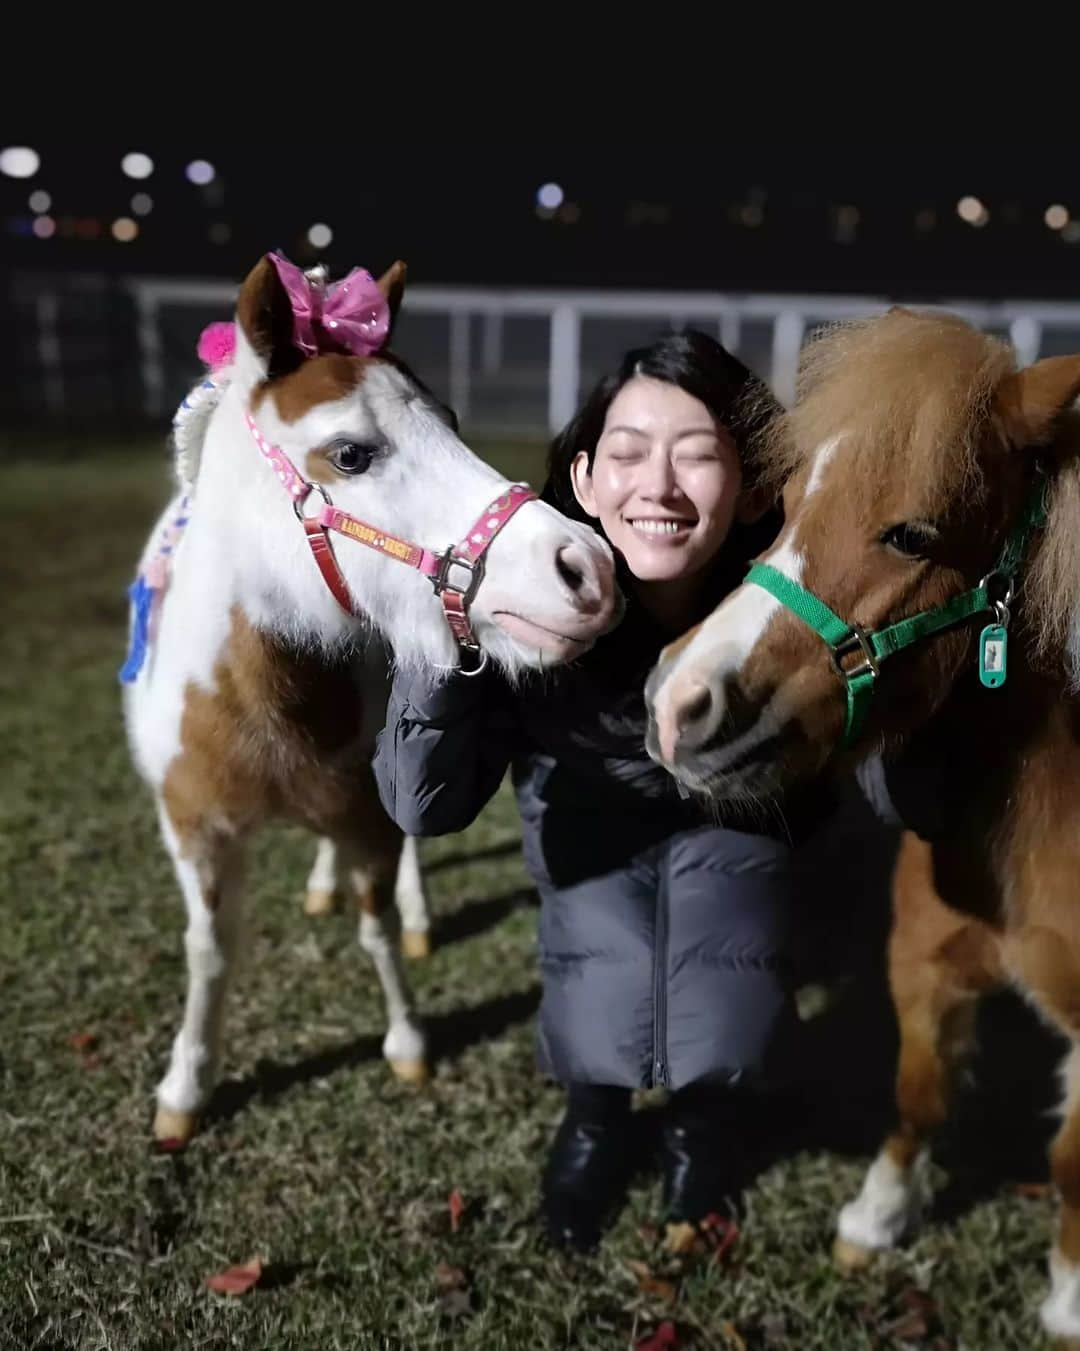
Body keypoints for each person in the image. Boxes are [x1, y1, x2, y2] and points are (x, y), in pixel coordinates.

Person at [373, 331, 818, 1251]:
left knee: (730, 995)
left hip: (742, 862)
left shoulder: (789, 618)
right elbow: (425, 802)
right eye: (627, 454)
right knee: (598, 981)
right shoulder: (535, 601)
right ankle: (595, 1120)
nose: (657, 485)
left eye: (699, 456)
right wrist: (445, 647)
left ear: (756, 490)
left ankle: (702, 1131)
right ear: (582, 478)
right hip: (584, 851)